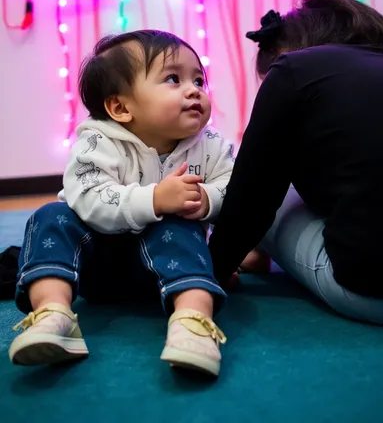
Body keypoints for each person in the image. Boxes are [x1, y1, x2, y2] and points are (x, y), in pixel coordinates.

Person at [9, 30, 234, 376]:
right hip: (95, 267)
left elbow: (233, 187)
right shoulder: (99, 141)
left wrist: (206, 199)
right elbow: (88, 198)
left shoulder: (210, 144)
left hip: (172, 267)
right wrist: (154, 199)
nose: (194, 90)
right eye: (173, 79)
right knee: (51, 215)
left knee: (178, 223)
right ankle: (55, 314)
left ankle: (193, 323)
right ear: (120, 107)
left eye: (198, 79)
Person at [209, 0, 383, 325]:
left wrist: (210, 272)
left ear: (281, 53)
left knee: (267, 184)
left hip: (380, 295)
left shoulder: (295, 69)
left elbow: (251, 198)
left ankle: (253, 254)